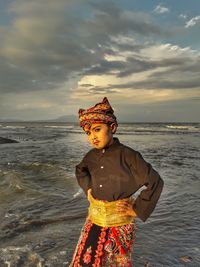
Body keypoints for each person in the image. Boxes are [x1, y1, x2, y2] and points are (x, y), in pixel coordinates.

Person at [70, 97, 164, 267]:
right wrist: (88, 189)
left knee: (115, 263)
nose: (93, 137)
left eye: (97, 130)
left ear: (112, 127)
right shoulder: (91, 156)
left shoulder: (129, 155)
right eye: (89, 133)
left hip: (119, 223)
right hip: (94, 219)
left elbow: (155, 181)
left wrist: (136, 209)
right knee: (85, 260)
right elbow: (80, 170)